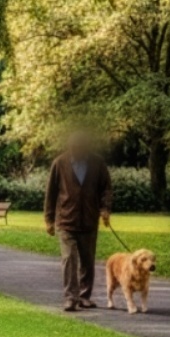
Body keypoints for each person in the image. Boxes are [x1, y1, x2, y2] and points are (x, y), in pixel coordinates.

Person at [45, 130, 113, 312]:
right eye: (74, 147)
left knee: (87, 260)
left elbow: (106, 188)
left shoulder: (97, 163)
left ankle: (84, 296)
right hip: (65, 220)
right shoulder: (59, 163)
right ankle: (70, 298)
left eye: (81, 148)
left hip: (89, 219)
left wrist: (105, 209)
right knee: (69, 259)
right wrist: (49, 220)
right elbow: (50, 193)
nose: (77, 150)